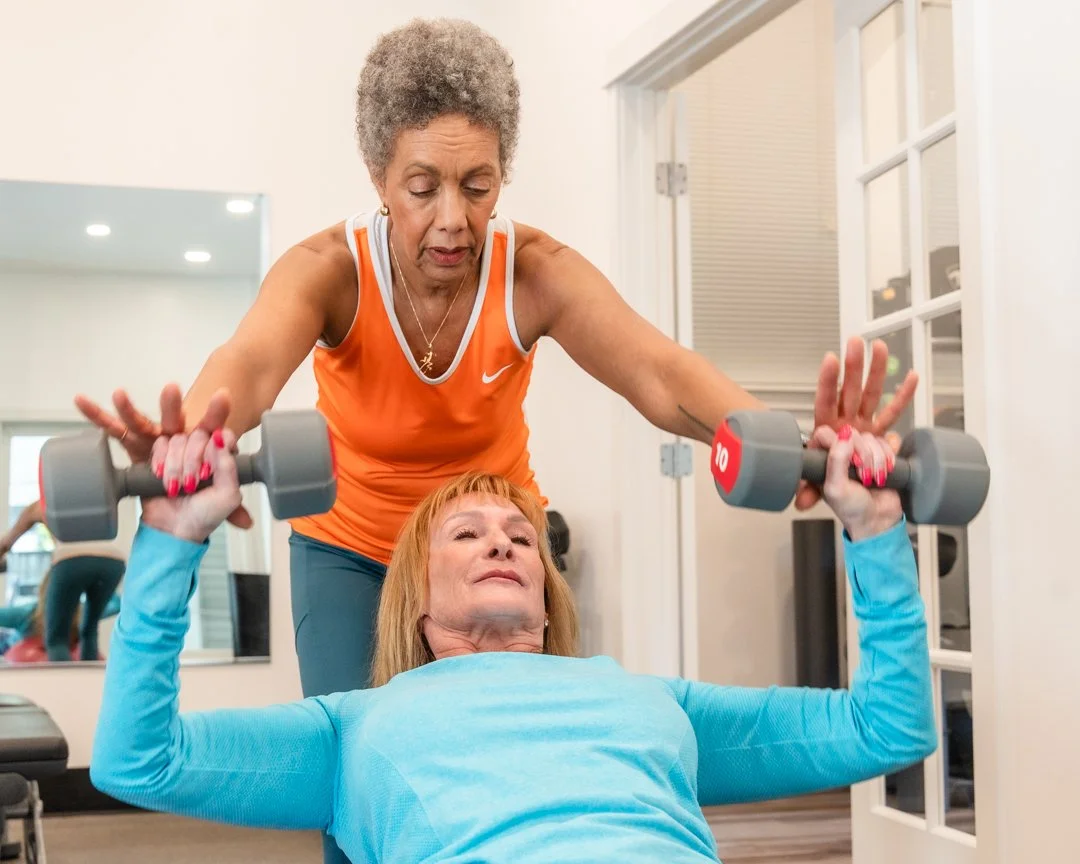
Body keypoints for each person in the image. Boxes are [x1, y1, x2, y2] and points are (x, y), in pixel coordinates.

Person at [75, 17, 916, 863]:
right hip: (351, 550)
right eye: (422, 186)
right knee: (354, 791)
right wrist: (195, 440)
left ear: (502, 175)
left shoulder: (535, 272)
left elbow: (660, 374)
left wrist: (796, 446)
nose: (452, 220)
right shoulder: (329, 270)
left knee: (535, 750)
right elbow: (247, 366)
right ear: (377, 176)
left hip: (493, 534)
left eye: (477, 186)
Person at [90, 409, 933, 863]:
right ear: (414, 594)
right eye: (466, 533)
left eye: (520, 536)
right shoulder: (351, 728)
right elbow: (138, 760)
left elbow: (886, 728)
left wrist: (874, 529)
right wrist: (173, 539)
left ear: (544, 581)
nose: (501, 540)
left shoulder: (646, 699)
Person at [0, 500, 125, 662]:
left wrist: (4, 548)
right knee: (89, 630)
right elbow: (117, 604)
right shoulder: (90, 501)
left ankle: (64, 683)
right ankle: (90, 681)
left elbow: (11, 536)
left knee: (56, 640)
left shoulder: (29, 613)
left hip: (70, 559)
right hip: (113, 560)